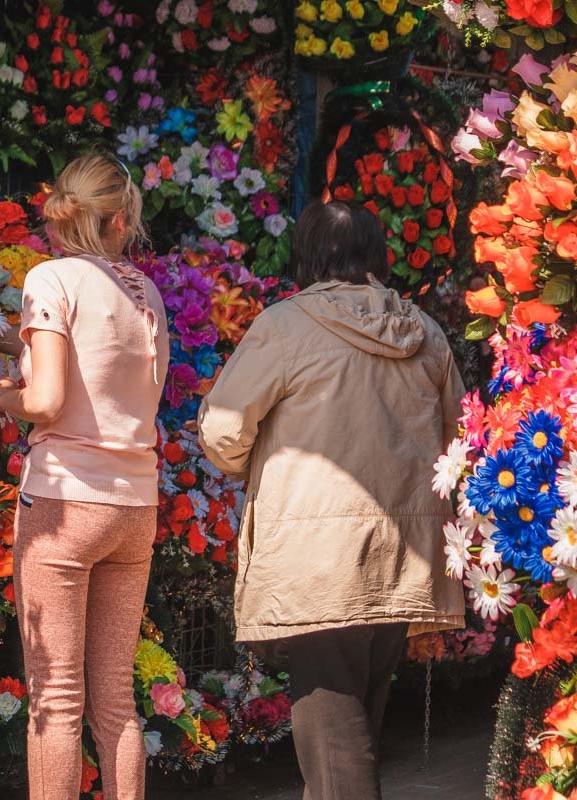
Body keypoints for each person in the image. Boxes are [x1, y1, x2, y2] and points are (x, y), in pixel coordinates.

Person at [197, 200, 466, 800]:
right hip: (404, 551)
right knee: (357, 716)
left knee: (331, 728)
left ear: (309, 256)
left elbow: (224, 428)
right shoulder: (425, 332)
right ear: (375, 255)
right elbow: (457, 437)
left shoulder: (286, 326)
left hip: (315, 553)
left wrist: (248, 463)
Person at [0, 152, 168, 800]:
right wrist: (22, 342)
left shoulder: (51, 278)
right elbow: (107, 371)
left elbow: (47, 401)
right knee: (114, 701)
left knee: (56, 701)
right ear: (122, 219)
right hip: (134, 505)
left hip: (64, 503)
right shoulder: (145, 295)